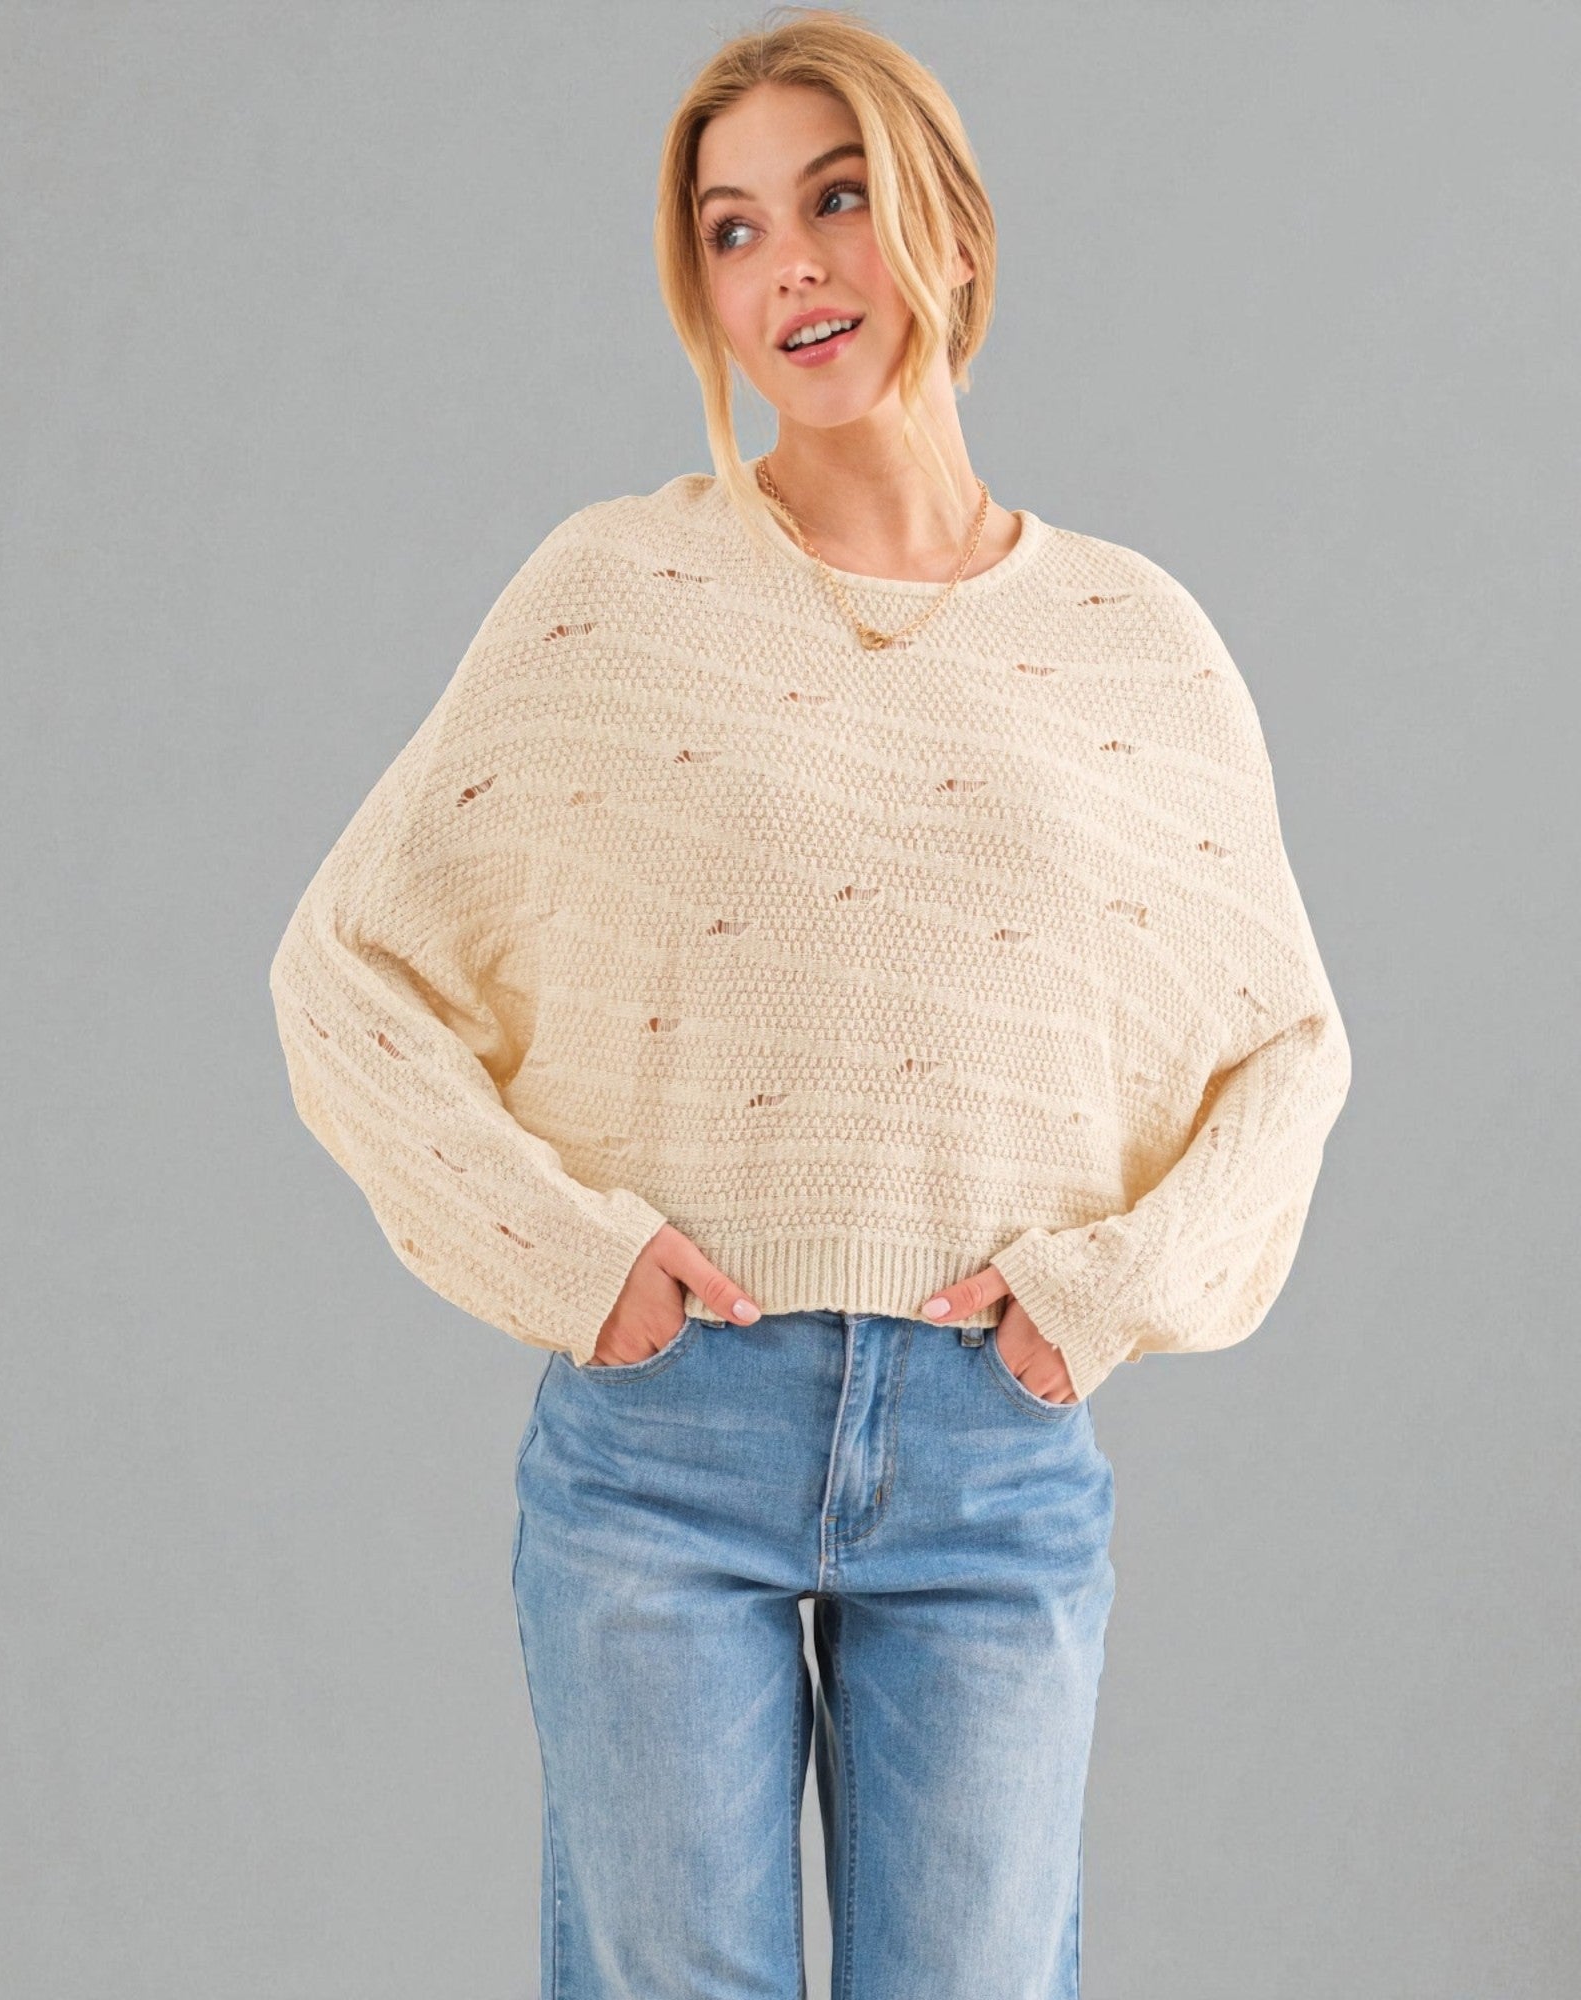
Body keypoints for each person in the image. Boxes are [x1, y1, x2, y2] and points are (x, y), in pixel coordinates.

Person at [267, 11, 1352, 1997]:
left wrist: (1102, 1293)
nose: (790, 266)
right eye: (734, 227)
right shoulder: (611, 595)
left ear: (946, 227)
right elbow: (342, 967)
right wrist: (562, 1253)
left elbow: (1288, 1045)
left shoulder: (1131, 639)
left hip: (986, 1452)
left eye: (834, 198)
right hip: (665, 1438)